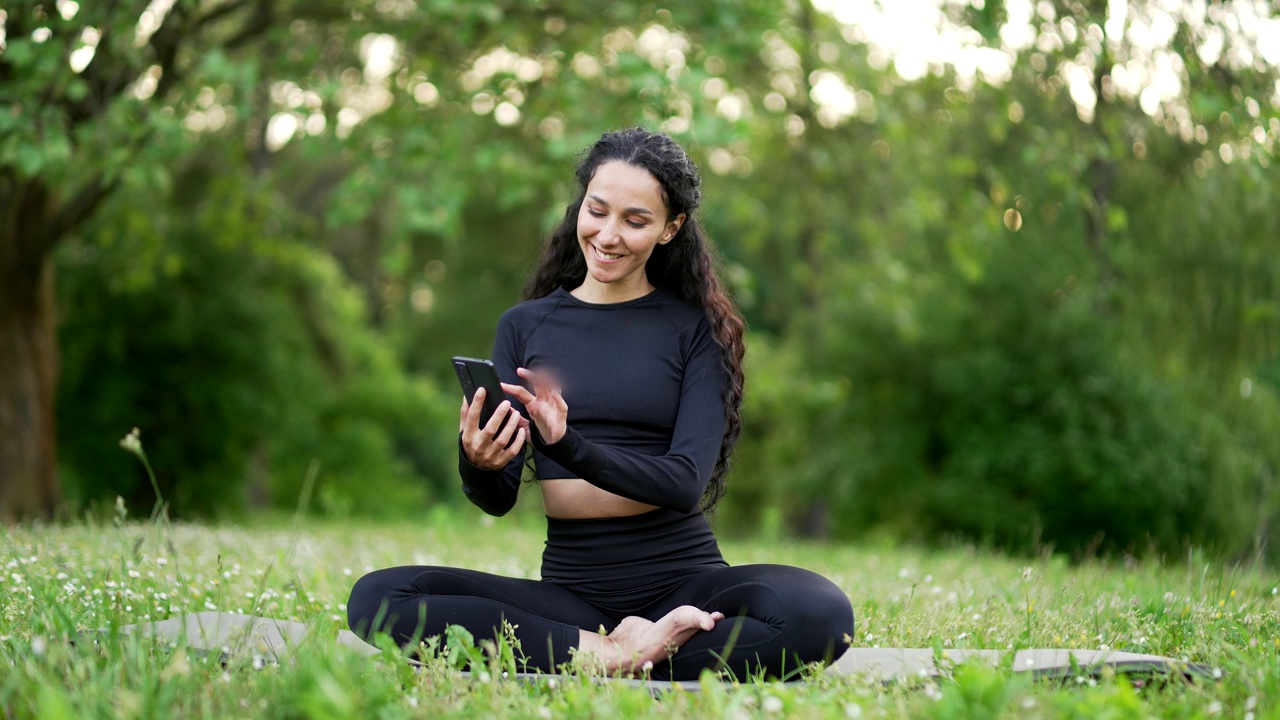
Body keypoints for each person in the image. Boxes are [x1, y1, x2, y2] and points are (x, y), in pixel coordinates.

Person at [347, 127, 854, 680]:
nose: (609, 235)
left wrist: (569, 444)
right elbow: (496, 499)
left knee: (820, 613)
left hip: (683, 579)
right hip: (571, 594)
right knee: (380, 597)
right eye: (597, 211)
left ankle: (591, 649)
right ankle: (615, 653)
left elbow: (684, 481)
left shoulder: (696, 331)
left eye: (635, 221)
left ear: (670, 228)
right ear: (579, 207)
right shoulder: (525, 325)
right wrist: (479, 460)